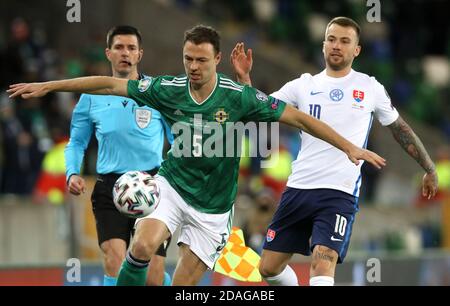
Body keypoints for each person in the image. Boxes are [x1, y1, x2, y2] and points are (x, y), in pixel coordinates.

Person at [7, 24, 386, 286]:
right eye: (188, 58)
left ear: (216, 59)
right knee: (141, 246)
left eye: (201, 60)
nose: (193, 67)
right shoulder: (167, 88)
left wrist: (349, 146)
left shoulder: (237, 96)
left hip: (214, 211)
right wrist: (48, 86)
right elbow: (109, 83)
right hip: (171, 187)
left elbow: (298, 118)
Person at [231, 16, 438, 286]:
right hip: (299, 188)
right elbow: (257, 112)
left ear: (357, 49)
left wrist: (429, 167)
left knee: (323, 257)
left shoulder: (369, 87)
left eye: (344, 41)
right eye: (331, 39)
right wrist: (246, 81)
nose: (336, 46)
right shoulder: (303, 85)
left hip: (339, 192)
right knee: (268, 268)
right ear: (323, 45)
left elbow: (400, 128)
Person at [64, 25, 173, 286]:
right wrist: (72, 172)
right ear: (108, 53)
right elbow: (77, 142)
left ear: (140, 54)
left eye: (131, 48)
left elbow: (177, 140)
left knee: (153, 277)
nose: (125, 53)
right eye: (119, 47)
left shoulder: (157, 93)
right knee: (115, 261)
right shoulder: (91, 95)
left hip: (152, 187)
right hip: (110, 187)